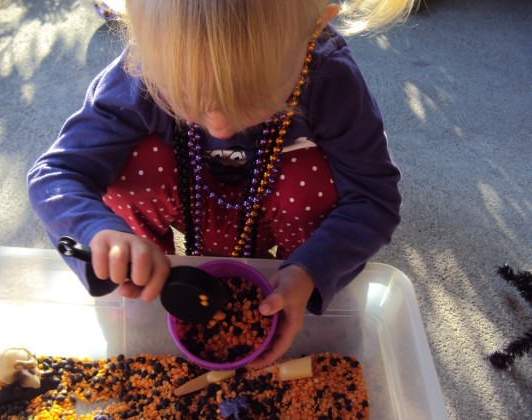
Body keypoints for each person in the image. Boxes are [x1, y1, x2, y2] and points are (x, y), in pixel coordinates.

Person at [27, 0, 414, 368]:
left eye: (249, 101)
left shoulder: (331, 78)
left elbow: (373, 198)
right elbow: (56, 175)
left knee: (311, 181)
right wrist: (99, 233)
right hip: (188, 198)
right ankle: (146, 285)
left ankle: (303, 297)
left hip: (277, 210)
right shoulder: (140, 70)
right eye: (185, 98)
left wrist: (311, 271)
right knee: (133, 167)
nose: (219, 126)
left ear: (311, 33)